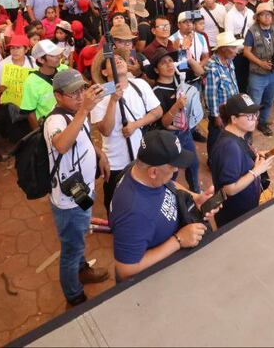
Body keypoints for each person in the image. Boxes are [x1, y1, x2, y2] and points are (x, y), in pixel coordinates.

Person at [109, 130, 215, 281]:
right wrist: (178, 240)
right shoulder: (134, 214)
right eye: (173, 168)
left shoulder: (139, 169)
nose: (177, 170)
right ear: (153, 172)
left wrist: (195, 198)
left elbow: (168, 183)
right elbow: (126, 269)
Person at [44, 69, 110, 306]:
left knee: (79, 236)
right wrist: (84, 110)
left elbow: (83, 138)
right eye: (73, 93)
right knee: (71, 248)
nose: (80, 96)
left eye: (82, 89)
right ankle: (74, 295)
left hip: (81, 189)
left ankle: (82, 269)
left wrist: (99, 153)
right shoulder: (55, 120)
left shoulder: (76, 113)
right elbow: (61, 145)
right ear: (58, 96)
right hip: (68, 198)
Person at [90, 53, 162, 212]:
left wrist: (136, 125)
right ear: (104, 72)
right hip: (115, 163)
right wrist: (113, 100)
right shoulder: (100, 95)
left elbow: (157, 111)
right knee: (115, 205)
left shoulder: (140, 84)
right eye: (111, 61)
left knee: (143, 199)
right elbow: (105, 130)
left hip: (142, 157)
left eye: (120, 59)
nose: (118, 60)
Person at [208, 93, 274, 228]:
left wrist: (255, 156)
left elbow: (240, 160)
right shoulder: (229, 147)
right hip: (235, 214)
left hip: (244, 206)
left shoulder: (238, 135)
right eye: (249, 116)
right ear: (234, 118)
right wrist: (257, 171)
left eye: (255, 114)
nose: (255, 119)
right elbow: (230, 189)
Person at [148, 48, 203, 192]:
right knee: (172, 171)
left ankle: (196, 193)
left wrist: (190, 59)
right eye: (163, 63)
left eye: (171, 61)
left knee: (194, 163)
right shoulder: (156, 91)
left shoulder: (180, 78)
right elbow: (164, 123)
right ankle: (169, 197)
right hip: (170, 137)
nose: (169, 65)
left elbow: (200, 72)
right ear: (156, 69)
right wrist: (176, 106)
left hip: (185, 132)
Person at [242, 2, 274, 136]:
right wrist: (260, 63)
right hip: (258, 75)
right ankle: (248, 129)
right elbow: (246, 52)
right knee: (255, 103)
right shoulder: (252, 31)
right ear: (258, 17)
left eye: (269, 15)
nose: (267, 17)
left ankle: (263, 122)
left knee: (268, 100)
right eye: (263, 15)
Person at [203, 31, 243, 157]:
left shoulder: (229, 61)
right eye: (233, 47)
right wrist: (216, 116)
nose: (236, 51)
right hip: (220, 112)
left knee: (228, 136)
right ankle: (212, 161)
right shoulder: (212, 67)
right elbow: (211, 95)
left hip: (230, 109)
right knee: (216, 138)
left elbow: (233, 83)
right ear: (224, 49)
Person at [20, 39, 66, 131]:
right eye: (53, 55)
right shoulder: (31, 82)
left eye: (58, 54)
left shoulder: (64, 69)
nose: (58, 57)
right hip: (50, 127)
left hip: (68, 120)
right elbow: (30, 113)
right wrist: (39, 134)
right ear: (41, 59)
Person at [224, 0, 254, 91]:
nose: (238, 5)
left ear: (246, 2)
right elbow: (229, 34)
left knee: (247, 75)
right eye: (237, 2)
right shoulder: (230, 15)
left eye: (241, 3)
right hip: (237, 49)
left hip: (249, 48)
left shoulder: (250, 13)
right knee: (238, 75)